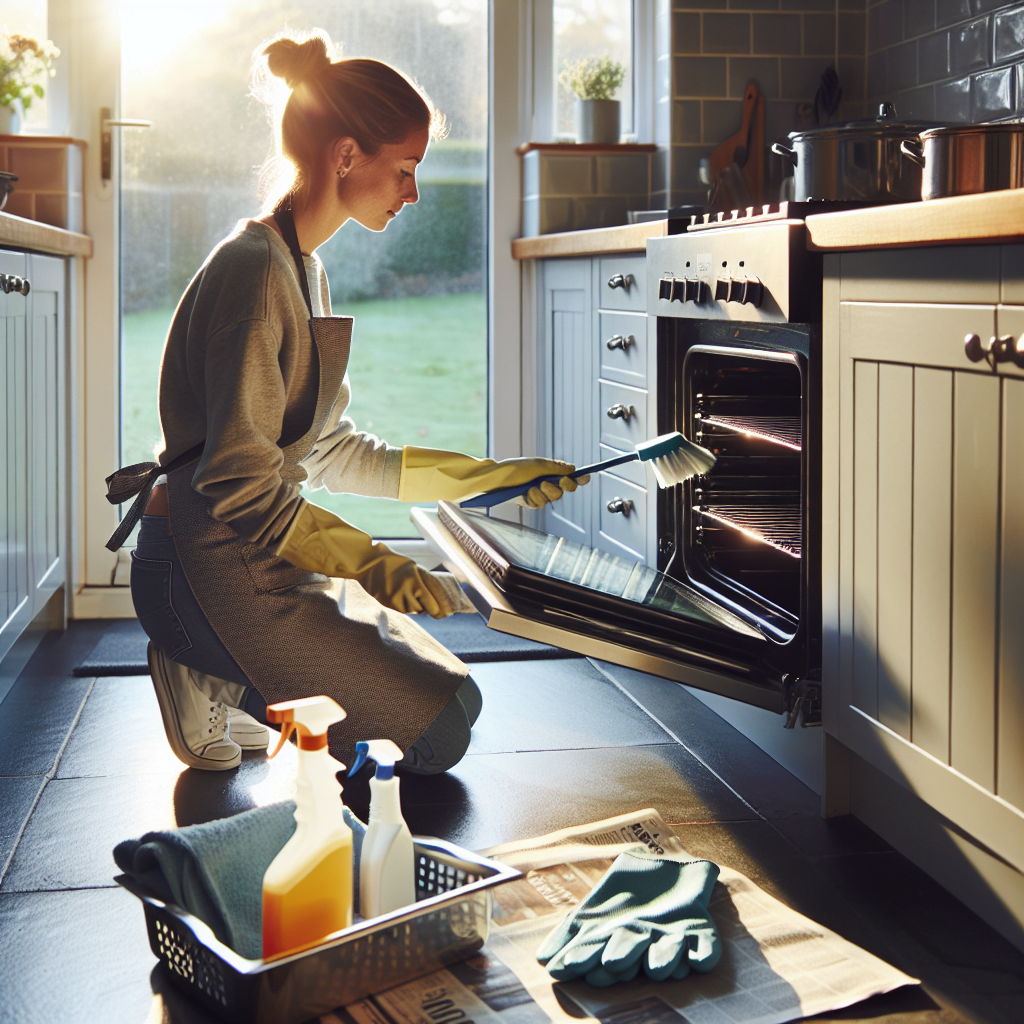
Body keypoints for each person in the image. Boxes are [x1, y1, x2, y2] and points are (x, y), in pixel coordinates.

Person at [111, 30, 588, 776]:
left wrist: (487, 479)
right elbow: (238, 486)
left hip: (259, 553)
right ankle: (207, 667)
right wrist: (373, 565)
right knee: (432, 743)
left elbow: (330, 449)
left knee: (457, 701)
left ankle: (231, 674)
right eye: (405, 168)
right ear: (344, 156)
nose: (414, 191)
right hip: (204, 569)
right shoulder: (253, 273)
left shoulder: (304, 268)